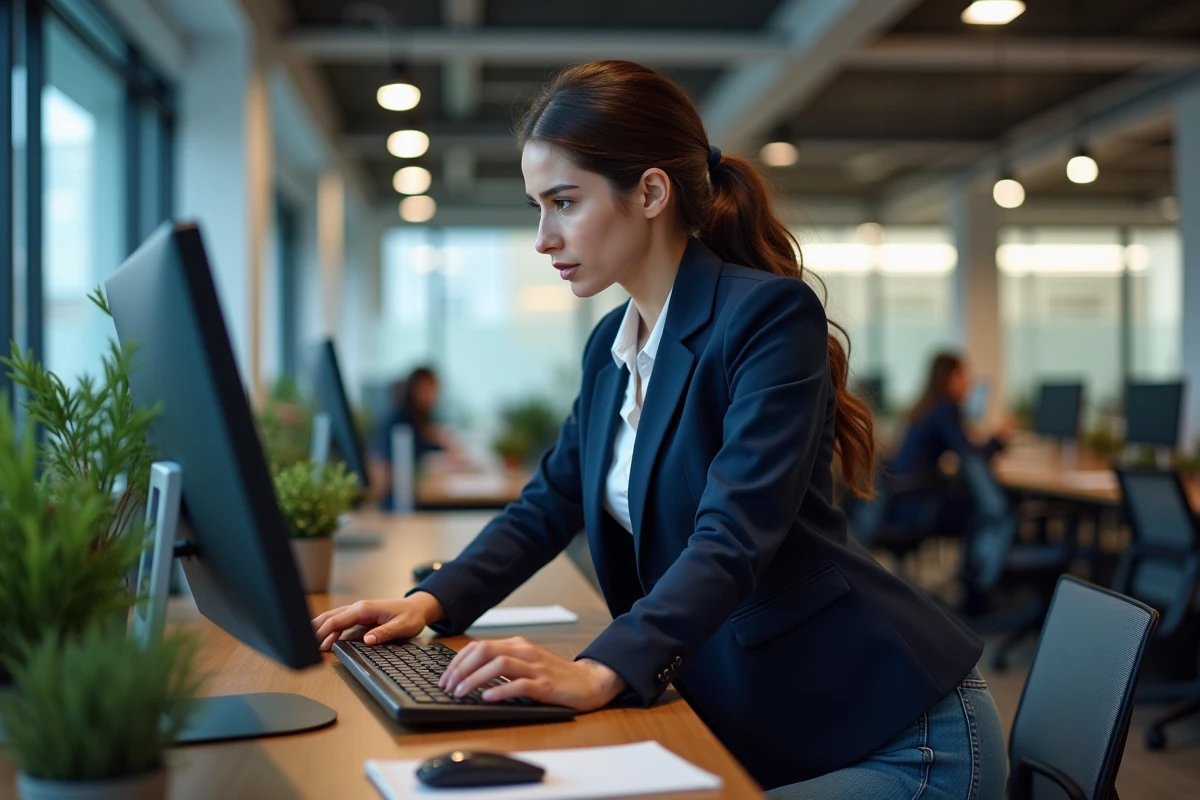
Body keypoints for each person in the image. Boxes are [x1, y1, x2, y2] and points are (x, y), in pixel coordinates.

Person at [313, 61, 1007, 798]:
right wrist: (429, 604)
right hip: (770, 725)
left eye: (564, 203)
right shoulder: (613, 343)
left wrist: (597, 670)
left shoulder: (767, 318)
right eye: (536, 207)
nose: (544, 237)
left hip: (900, 740)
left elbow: (732, 536)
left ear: (649, 192)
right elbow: (549, 502)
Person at [887, 352, 1014, 538]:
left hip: (902, 503)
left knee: (968, 499)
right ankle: (978, 566)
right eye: (964, 376)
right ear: (952, 378)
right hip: (920, 505)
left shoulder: (927, 407)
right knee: (982, 510)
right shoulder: (944, 408)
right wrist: (998, 439)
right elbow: (970, 455)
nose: (968, 383)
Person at [366, 366, 465, 509]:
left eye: (434, 389)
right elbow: (393, 464)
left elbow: (435, 447)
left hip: (414, 493)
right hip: (399, 498)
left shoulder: (423, 418)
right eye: (428, 388)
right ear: (414, 389)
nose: (433, 395)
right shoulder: (400, 420)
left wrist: (444, 443)